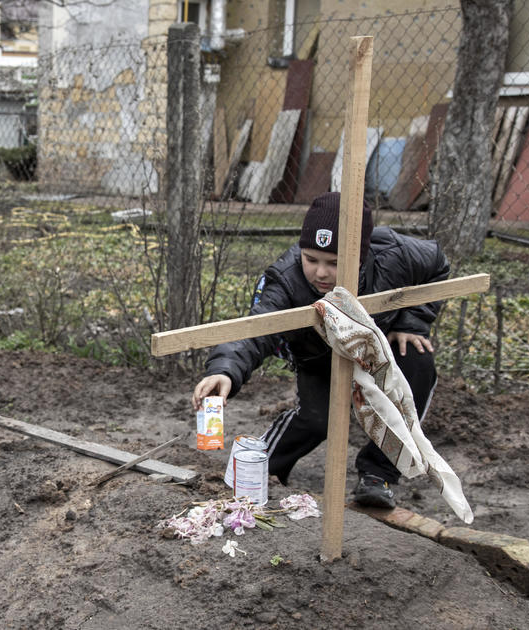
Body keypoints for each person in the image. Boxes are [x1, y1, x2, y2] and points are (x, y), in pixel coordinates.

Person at [191, 192, 448, 509]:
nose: (321, 273)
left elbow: (438, 266)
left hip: (377, 344)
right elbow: (255, 329)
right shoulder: (285, 279)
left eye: (334, 263)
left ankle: (377, 474)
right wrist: (224, 370)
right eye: (311, 259)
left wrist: (413, 320)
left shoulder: (395, 254)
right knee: (317, 418)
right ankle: (265, 467)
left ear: (361, 256)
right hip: (317, 354)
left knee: (418, 364)